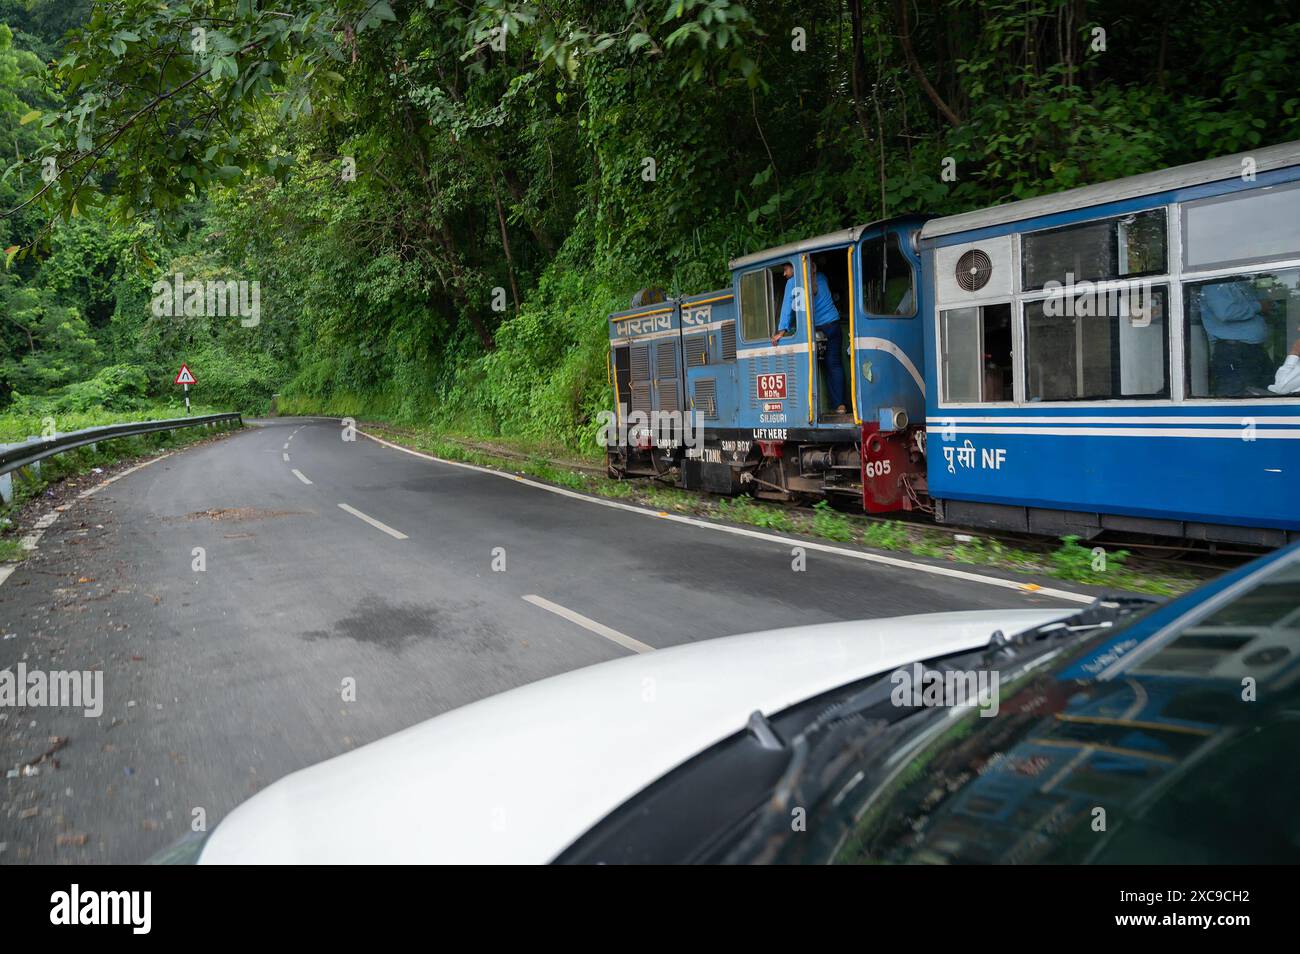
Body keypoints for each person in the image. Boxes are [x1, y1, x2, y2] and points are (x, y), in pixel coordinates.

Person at [770, 261, 847, 414]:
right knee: (834, 365)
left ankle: (809, 410)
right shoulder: (821, 277)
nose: (784, 274)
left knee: (808, 366)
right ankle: (840, 405)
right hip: (833, 326)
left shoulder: (793, 283)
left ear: (796, 266)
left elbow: (787, 308)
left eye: (785, 269)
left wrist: (782, 330)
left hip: (818, 329)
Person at [1199, 279, 1275, 395]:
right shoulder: (1215, 284)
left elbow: (1266, 304)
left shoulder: (1244, 283)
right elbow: (1225, 312)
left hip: (1255, 351)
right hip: (1234, 352)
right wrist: (1258, 306)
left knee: (1268, 393)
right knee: (1236, 396)